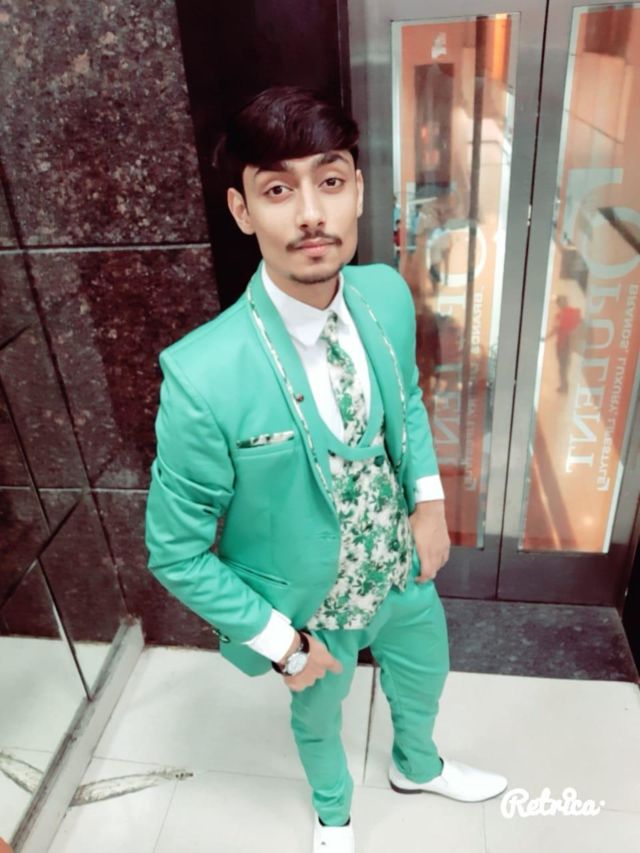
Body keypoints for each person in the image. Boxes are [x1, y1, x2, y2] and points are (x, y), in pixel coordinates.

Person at [144, 86, 507, 853]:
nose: (311, 213)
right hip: (315, 608)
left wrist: (429, 502)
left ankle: (417, 764)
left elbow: (406, 396)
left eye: (330, 180)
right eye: (278, 190)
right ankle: (334, 814)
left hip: (402, 571)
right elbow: (175, 552)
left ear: (358, 191)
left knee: (426, 673)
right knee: (317, 717)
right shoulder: (204, 375)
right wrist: (283, 643)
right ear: (243, 209)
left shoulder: (384, 293)